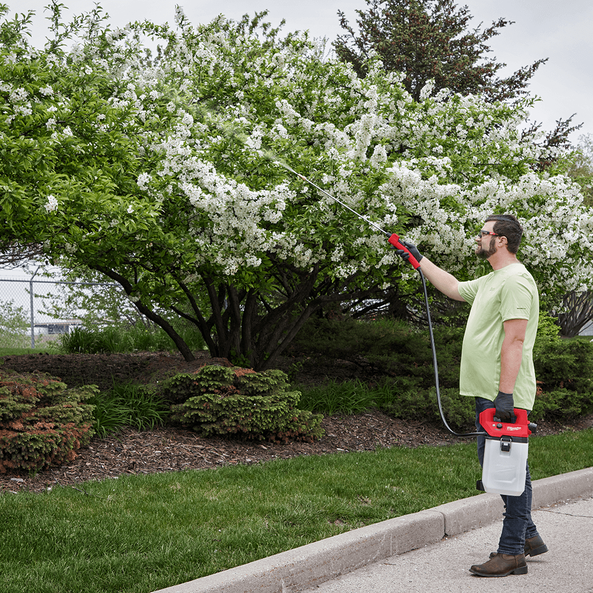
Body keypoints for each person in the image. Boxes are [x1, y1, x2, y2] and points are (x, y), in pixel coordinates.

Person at [396, 214, 548, 577]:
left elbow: (514, 339)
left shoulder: (516, 282)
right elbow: (452, 287)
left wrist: (506, 396)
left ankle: (512, 552)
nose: (476, 239)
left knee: (509, 472)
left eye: (483, 234)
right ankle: (527, 534)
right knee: (503, 469)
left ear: (501, 241)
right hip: (488, 391)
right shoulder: (495, 278)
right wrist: (417, 258)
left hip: (502, 393)